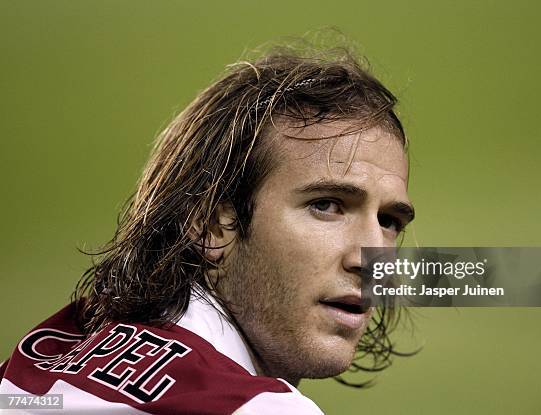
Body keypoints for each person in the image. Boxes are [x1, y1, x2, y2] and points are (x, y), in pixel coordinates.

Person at [0, 44, 414, 414]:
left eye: (389, 221)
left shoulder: (41, 357)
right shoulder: (261, 409)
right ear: (213, 226)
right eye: (326, 206)